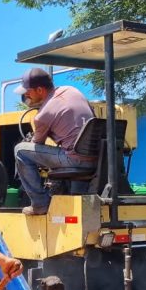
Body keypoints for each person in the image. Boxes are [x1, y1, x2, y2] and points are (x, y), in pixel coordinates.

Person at [12, 67, 96, 215]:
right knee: (73, 150)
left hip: (74, 159)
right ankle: (76, 203)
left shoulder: (43, 115)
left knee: (20, 150)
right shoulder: (71, 90)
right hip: (95, 157)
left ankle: (40, 204)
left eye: (28, 91)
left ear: (39, 90)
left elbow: (37, 144)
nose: (26, 95)